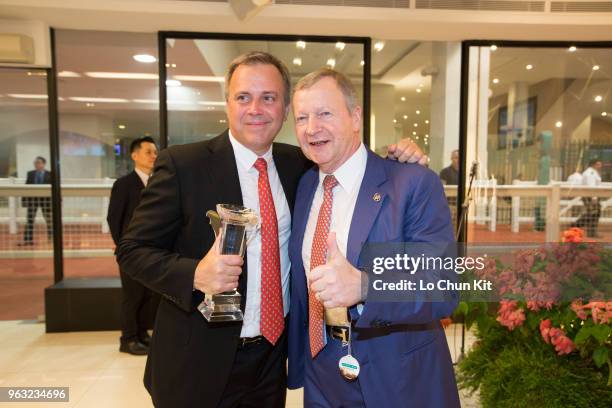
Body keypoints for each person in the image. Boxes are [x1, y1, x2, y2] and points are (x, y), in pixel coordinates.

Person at [117, 52, 425, 408]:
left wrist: (402, 161)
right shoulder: (184, 165)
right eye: (243, 97)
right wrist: (194, 275)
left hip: (270, 360)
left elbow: (355, 166)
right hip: (196, 360)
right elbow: (132, 248)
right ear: (228, 104)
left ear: (284, 109)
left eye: (269, 97)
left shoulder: (301, 165)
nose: (256, 109)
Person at [287, 69, 460, 407]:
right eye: (301, 118)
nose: (311, 128)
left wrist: (365, 286)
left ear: (355, 117)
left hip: (396, 375)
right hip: (321, 369)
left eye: (324, 113)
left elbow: (442, 286)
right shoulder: (306, 185)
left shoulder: (412, 184)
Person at [107, 136, 159, 355]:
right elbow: (114, 218)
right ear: (134, 155)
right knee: (133, 296)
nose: (154, 156)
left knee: (148, 295)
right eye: (148, 152)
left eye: (155, 152)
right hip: (131, 251)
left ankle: (141, 335)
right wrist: (122, 248)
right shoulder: (124, 184)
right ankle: (127, 339)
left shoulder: (157, 182)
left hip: (154, 252)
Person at [19, 156, 52, 246]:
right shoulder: (30, 173)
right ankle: (28, 240)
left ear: (43, 164)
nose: (36, 164)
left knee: (49, 221)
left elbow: (54, 188)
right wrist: (24, 200)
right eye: (35, 163)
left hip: (46, 201)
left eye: (38, 162)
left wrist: (57, 201)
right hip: (32, 200)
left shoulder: (50, 174)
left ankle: (51, 239)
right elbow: (27, 187)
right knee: (29, 220)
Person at [573, 159, 603, 238]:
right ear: (594, 164)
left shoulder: (593, 172)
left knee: (593, 213)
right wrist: (594, 197)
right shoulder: (591, 173)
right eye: (599, 164)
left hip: (592, 196)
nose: (600, 165)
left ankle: (589, 231)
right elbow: (591, 186)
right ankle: (576, 226)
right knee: (593, 213)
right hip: (590, 196)